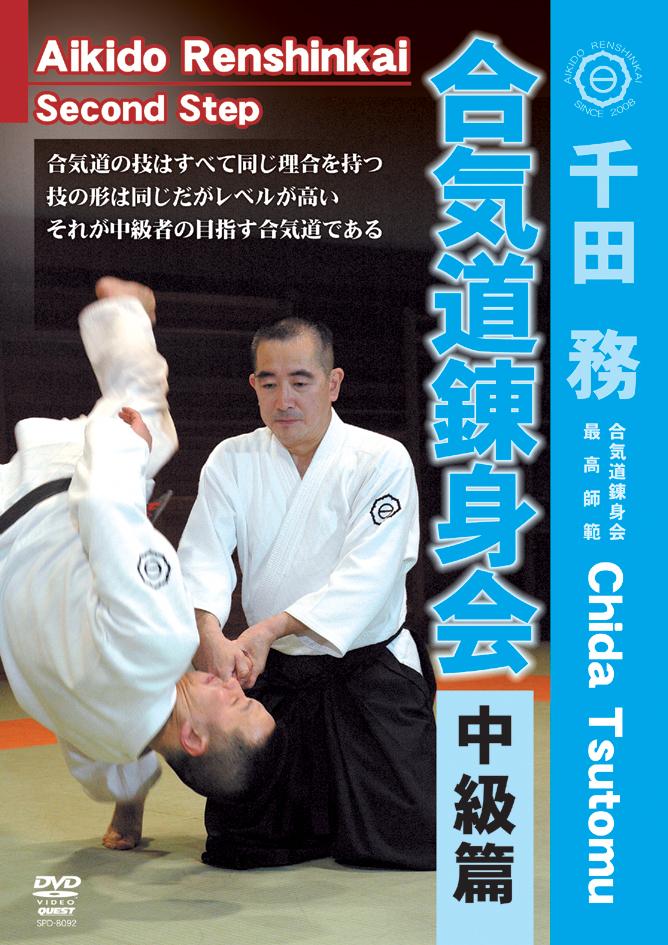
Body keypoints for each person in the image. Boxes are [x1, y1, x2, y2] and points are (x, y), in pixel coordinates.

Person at [0, 278, 275, 851]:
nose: (236, 686)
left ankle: (128, 309)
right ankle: (128, 814)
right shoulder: (110, 737)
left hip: (47, 492)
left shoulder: (163, 644)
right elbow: (104, 767)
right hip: (13, 533)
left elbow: (105, 507)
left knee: (148, 424)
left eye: (239, 703)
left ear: (194, 738)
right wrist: (127, 810)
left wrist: (130, 448)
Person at [178, 317, 436, 870]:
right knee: (240, 843)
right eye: (269, 383)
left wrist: (270, 627)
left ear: (333, 383)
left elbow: (368, 577)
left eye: (301, 381)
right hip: (276, 674)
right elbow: (202, 556)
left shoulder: (380, 458)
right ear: (253, 386)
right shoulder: (232, 459)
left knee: (416, 837)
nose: (284, 399)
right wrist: (208, 634)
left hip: (366, 668)